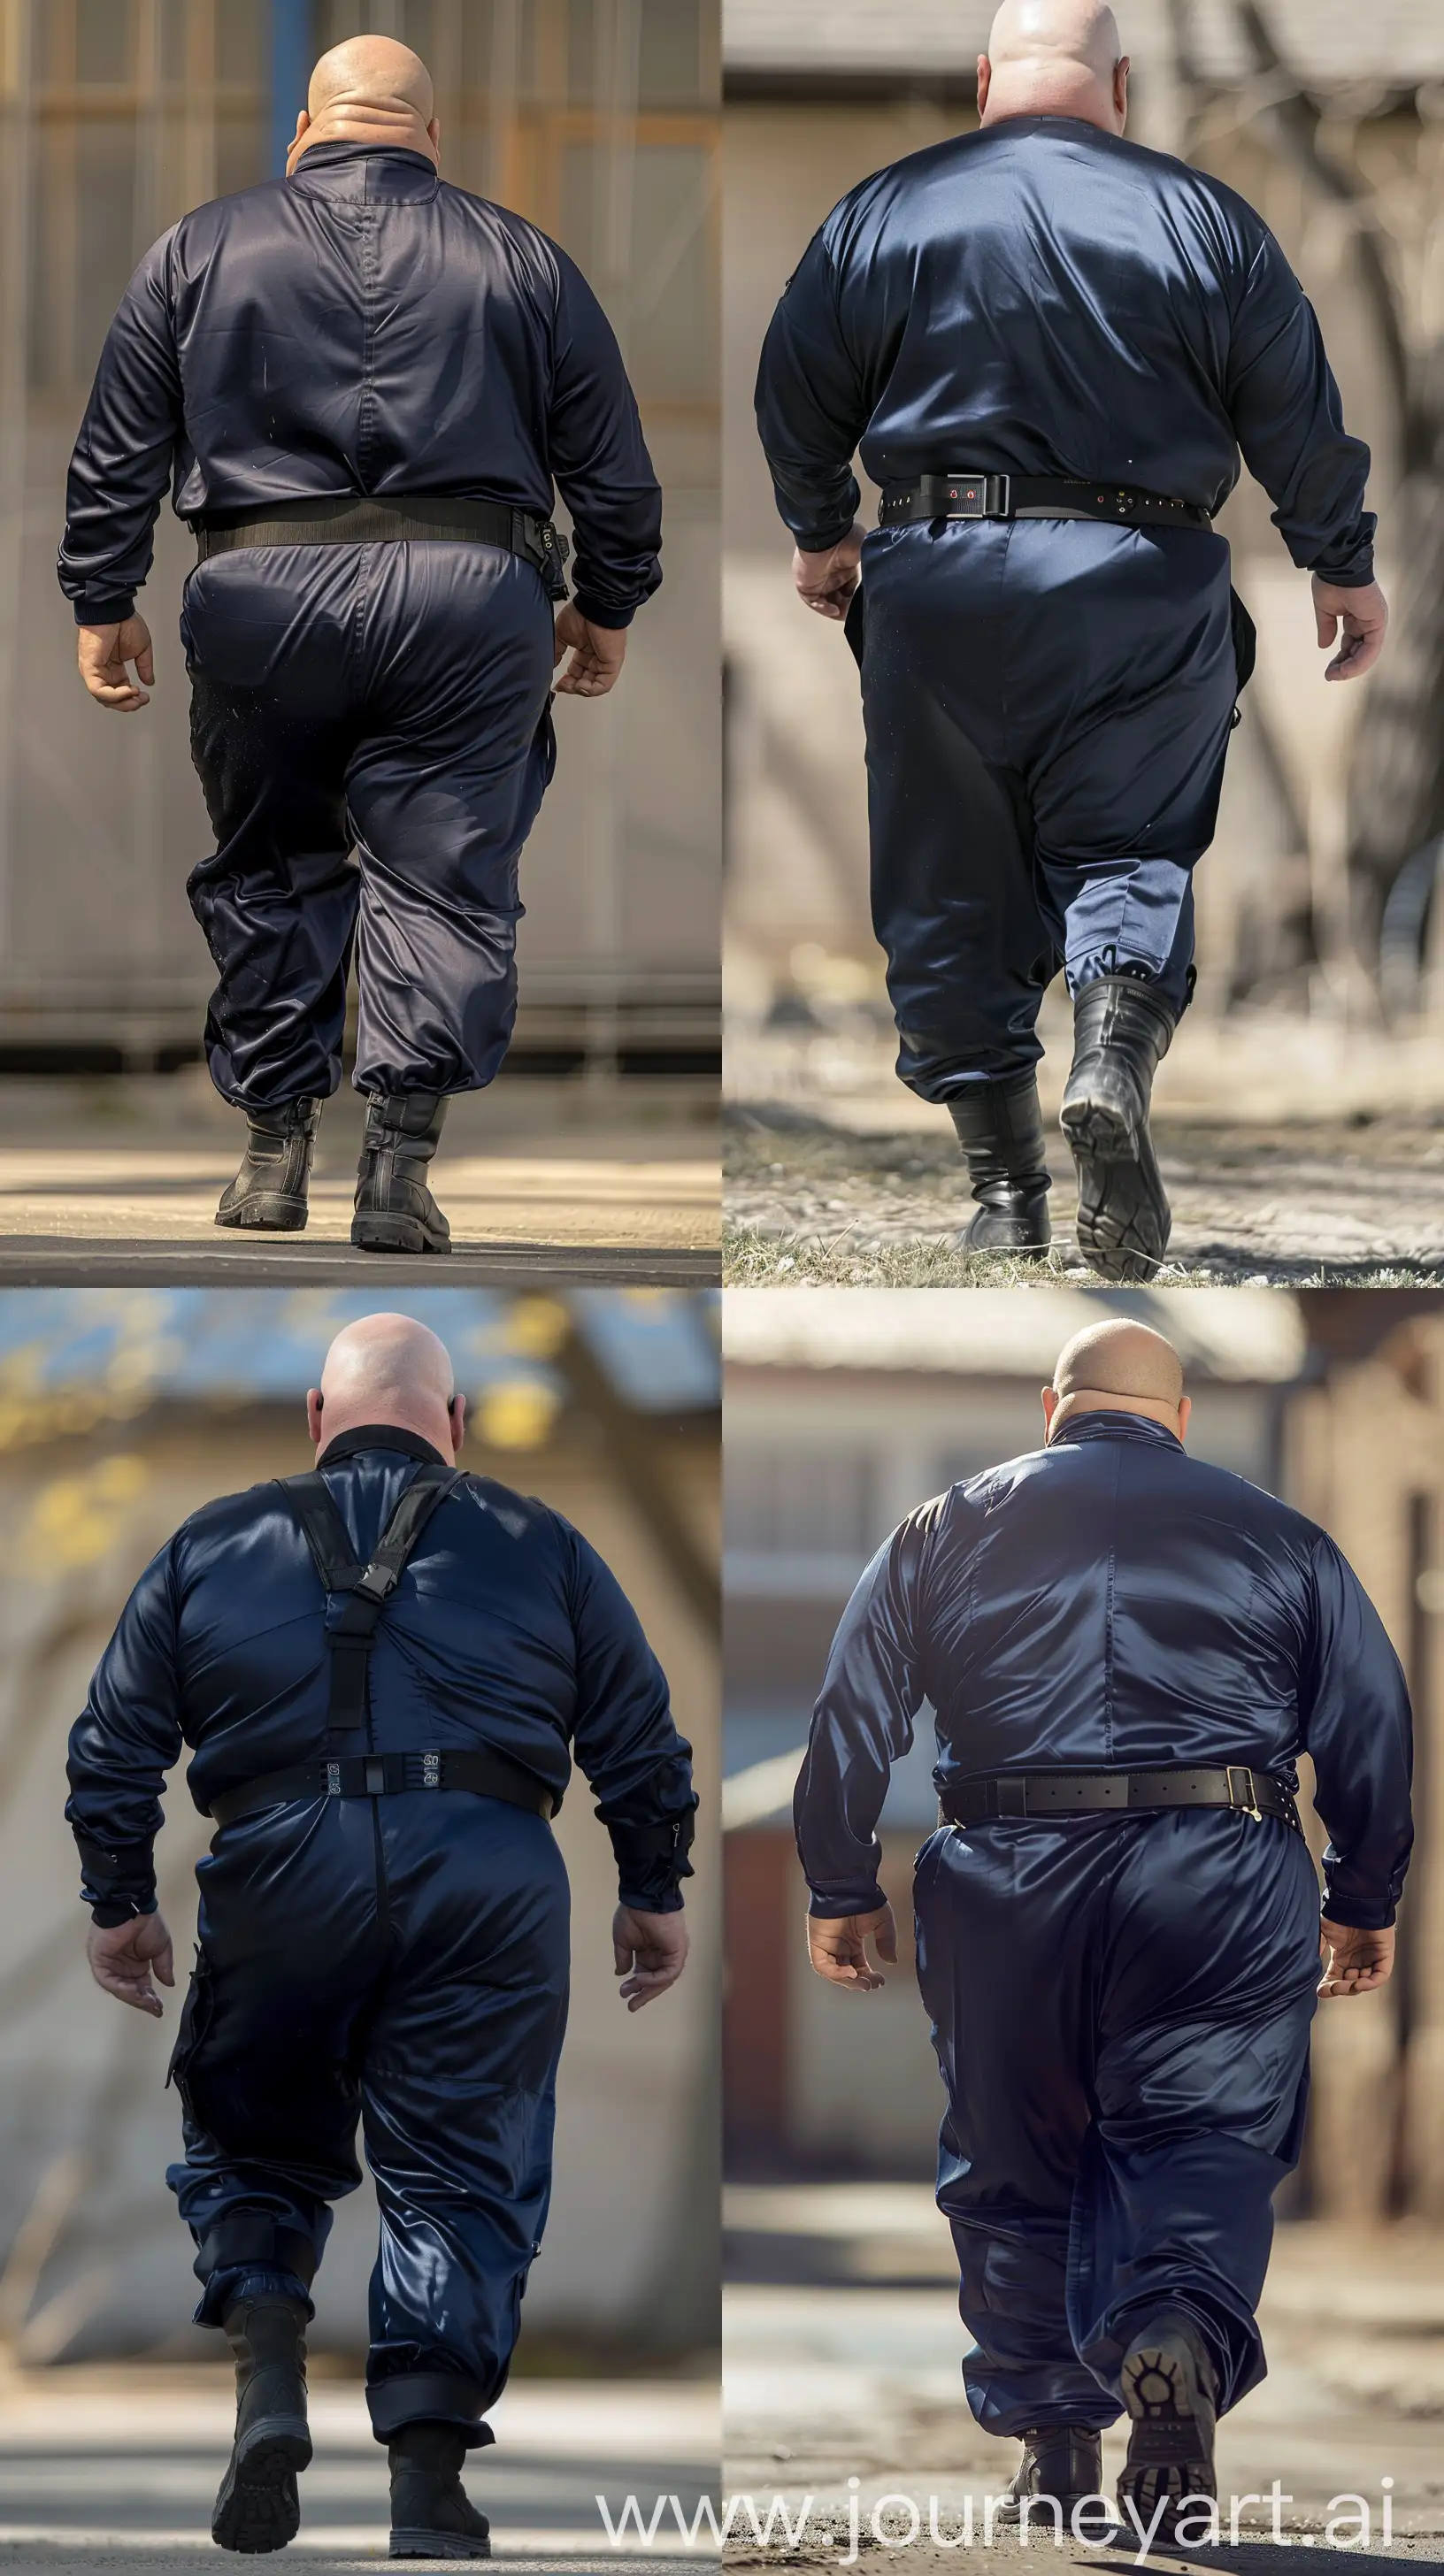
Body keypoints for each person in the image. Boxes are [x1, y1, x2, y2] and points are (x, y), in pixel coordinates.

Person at [754, 0, 1387, 1280]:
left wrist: (825, 531)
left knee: (947, 892)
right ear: (1125, 83)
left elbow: (796, 388)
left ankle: (1004, 1197)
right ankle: (1109, 1057)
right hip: (1139, 580)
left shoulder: (882, 211)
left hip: (937, 578)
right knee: (1135, 849)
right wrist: (1339, 559)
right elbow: (1294, 404)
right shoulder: (1206, 219)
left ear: (983, 76)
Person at [67, 1313, 695, 2558]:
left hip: (278, 1861)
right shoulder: (543, 1541)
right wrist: (652, 1888)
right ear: (453, 1425)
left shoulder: (213, 1541)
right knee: (461, 2168)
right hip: (489, 1873)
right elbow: (638, 1737)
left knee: (254, 2137)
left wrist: (119, 1901)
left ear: (317, 1416)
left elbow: (113, 1744)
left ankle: (266, 2390)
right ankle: (428, 2482)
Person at [794, 1318, 1411, 2533]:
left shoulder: (942, 1527)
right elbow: (1371, 1725)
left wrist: (839, 1882)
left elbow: (850, 1711)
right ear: (1179, 1418)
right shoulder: (1282, 1536)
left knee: (1015, 2156)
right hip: (1220, 1872)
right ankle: (1174, 2325)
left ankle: (1055, 2442)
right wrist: (1364, 1896)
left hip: (1004, 1870)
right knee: (1200, 2138)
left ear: (1051, 1408)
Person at [58, 36, 662, 1258]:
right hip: (467, 595)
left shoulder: (197, 246)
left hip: (257, 590)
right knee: (442, 880)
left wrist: (101, 595)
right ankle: (396, 1168)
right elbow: (612, 466)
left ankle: (273, 1156)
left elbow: (118, 445)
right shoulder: (522, 256)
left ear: (306, 132)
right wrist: (608, 603)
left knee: (272, 860)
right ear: (429, 138)